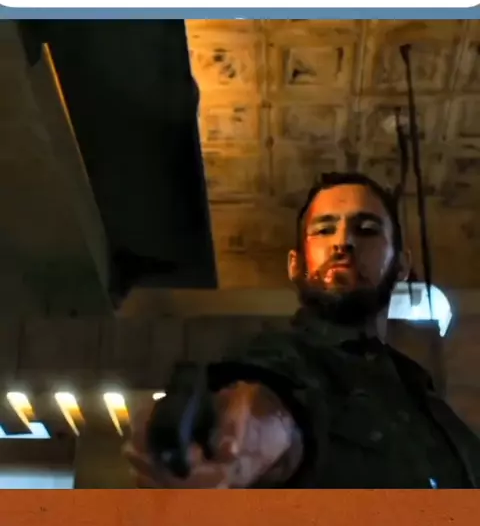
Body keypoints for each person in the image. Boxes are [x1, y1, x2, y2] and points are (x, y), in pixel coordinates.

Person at [125, 172, 480, 489]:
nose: (343, 242)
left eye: (367, 229)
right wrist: (246, 437)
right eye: (324, 230)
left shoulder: (419, 388)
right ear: (295, 265)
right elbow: (266, 405)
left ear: (401, 264)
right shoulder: (282, 355)